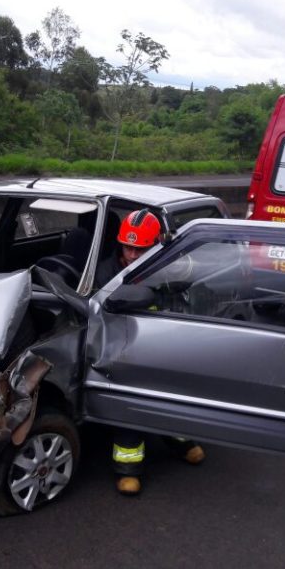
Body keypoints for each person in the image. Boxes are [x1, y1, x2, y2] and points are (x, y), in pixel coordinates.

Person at [94, 210, 205, 496]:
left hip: (163, 345)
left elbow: (191, 273)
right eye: (127, 247)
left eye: (139, 249)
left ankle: (181, 440)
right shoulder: (108, 271)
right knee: (131, 407)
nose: (131, 255)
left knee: (173, 397)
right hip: (122, 348)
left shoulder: (168, 267)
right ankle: (128, 470)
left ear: (155, 246)